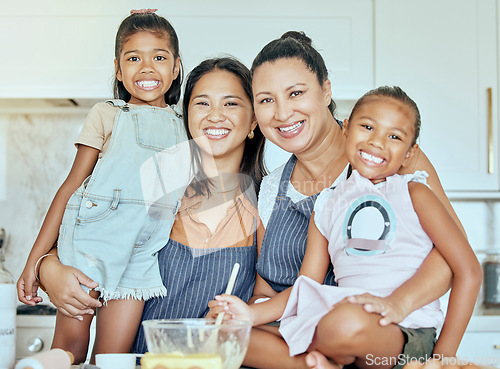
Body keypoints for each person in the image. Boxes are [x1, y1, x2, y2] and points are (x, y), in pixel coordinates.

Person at [207, 31, 466, 369]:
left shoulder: (386, 158)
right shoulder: (271, 189)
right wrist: (243, 313)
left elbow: (451, 257)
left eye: (296, 93)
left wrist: (407, 315)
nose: (282, 113)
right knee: (217, 335)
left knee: (343, 327)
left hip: (380, 332)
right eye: (266, 100)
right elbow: (268, 292)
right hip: (304, 334)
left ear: (326, 91)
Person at [35, 57, 266, 357]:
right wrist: (48, 267)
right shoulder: (151, 191)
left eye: (231, 104)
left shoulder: (267, 204)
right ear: (185, 116)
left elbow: (271, 300)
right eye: (202, 104)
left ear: (253, 121)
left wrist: (238, 318)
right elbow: (92, 242)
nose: (215, 116)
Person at [16, 10, 190, 363]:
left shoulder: (185, 125)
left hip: (142, 254)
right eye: (133, 58)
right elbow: (70, 187)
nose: (146, 67)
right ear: (118, 68)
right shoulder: (107, 114)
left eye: (158, 57)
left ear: (175, 68)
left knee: (113, 356)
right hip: (91, 244)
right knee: (72, 348)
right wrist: (34, 261)